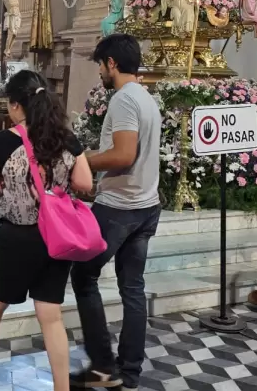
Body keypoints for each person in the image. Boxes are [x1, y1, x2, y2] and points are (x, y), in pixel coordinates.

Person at [0, 70, 92, 391]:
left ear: (14, 105)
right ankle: (62, 388)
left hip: (17, 237)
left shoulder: (5, 141)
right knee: (51, 315)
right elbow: (85, 183)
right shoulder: (66, 138)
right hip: (57, 237)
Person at [70, 34, 162, 391]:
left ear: (112, 63)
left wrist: (82, 161)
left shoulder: (124, 99)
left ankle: (103, 368)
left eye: (100, 65)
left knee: (83, 276)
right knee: (133, 287)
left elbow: (124, 155)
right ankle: (130, 370)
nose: (100, 72)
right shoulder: (146, 97)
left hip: (120, 208)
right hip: (146, 205)